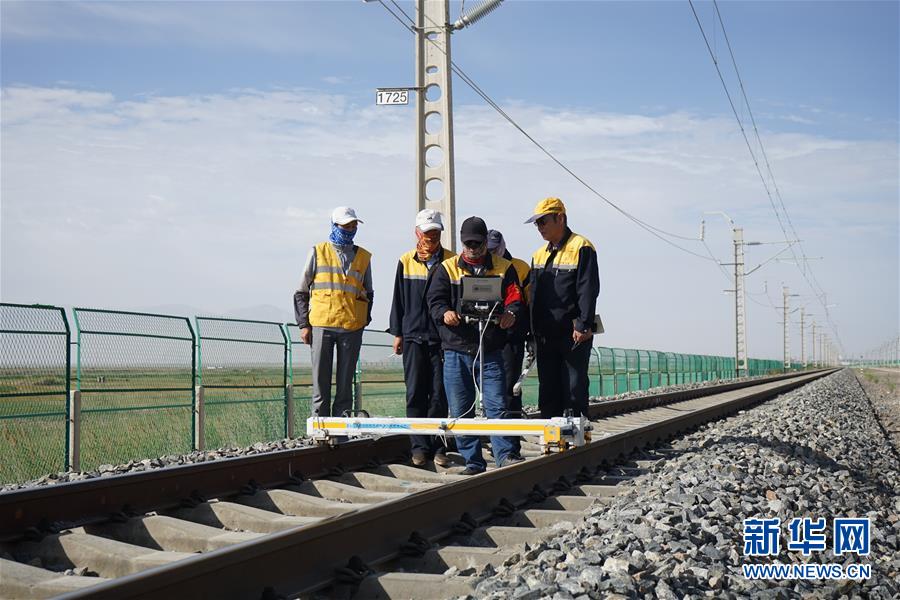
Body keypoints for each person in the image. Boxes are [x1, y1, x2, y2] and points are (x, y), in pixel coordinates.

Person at [426, 216, 525, 475]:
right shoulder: (446, 269)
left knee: (497, 406)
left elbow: (515, 297)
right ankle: (473, 462)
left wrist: (511, 314)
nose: (472, 248)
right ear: (461, 242)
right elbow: (434, 300)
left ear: (484, 243)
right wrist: (444, 312)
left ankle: (505, 456)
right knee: (460, 409)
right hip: (456, 349)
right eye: (468, 243)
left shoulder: (505, 268)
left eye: (477, 243)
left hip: (490, 349)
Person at [389, 209, 456, 467]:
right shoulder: (406, 261)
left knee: (440, 395)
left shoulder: (451, 260)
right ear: (417, 232)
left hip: (442, 339)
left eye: (436, 232)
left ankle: (439, 447)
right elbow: (398, 300)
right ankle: (418, 447)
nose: (432, 237)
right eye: (427, 232)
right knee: (416, 393)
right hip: (414, 336)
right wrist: (397, 333)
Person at [294, 206, 373, 419]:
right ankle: (321, 427)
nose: (350, 229)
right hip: (322, 324)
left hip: (351, 326)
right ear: (334, 225)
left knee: (345, 384)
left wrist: (363, 320)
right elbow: (301, 291)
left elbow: (369, 293)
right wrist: (304, 325)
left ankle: (342, 429)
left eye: (353, 225)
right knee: (321, 382)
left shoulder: (363, 257)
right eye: (346, 225)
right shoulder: (318, 252)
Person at [525, 197, 600, 418]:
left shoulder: (581, 247)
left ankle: (575, 439)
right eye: (537, 223)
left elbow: (588, 288)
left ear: (561, 218)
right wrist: (531, 330)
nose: (539, 228)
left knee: (573, 387)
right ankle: (552, 439)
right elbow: (534, 295)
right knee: (548, 389)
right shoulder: (539, 254)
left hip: (573, 333)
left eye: (543, 221)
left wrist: (584, 324)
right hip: (546, 334)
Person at [487, 229, 531, 459]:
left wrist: (530, 334)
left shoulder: (521, 268)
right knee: (492, 394)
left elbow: (529, 303)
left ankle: (511, 447)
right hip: (488, 339)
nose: (494, 252)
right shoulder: (483, 265)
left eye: (496, 248)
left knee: (509, 393)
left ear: (503, 245)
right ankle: (496, 441)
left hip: (512, 340)